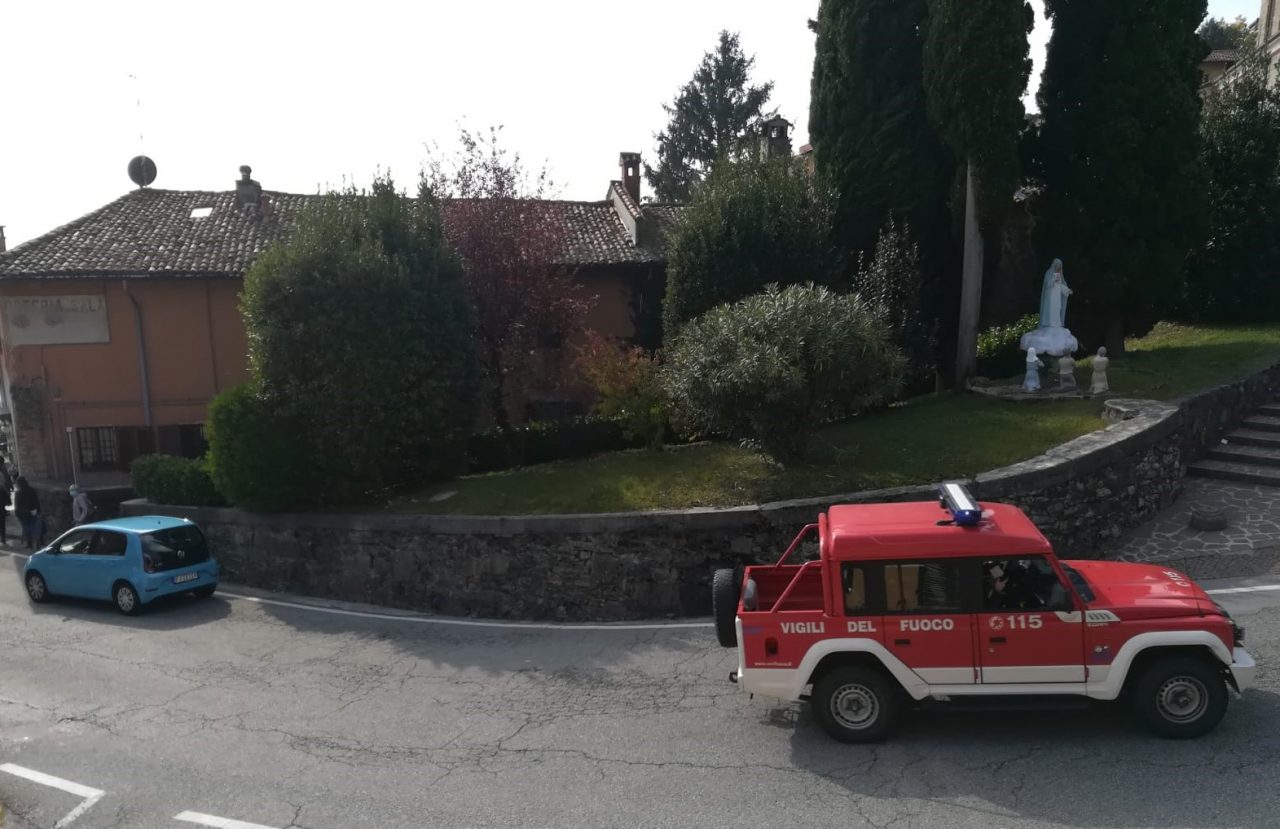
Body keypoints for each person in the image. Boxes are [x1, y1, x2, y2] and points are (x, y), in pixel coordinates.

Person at [13, 477, 40, 550]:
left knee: (26, 528)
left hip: (23, 514)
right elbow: (36, 501)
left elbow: (17, 505)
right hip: (32, 512)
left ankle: (29, 543)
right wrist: (38, 510)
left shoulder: (18, 493)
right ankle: (37, 543)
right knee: (33, 527)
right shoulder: (32, 490)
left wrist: (17, 513)